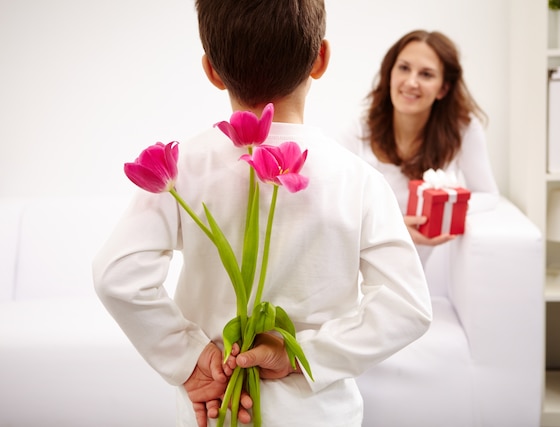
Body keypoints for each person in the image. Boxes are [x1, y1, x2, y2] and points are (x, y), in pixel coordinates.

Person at [92, 2, 432, 427]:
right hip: (318, 412)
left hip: (216, 407)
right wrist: (299, 355)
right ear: (321, 59)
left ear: (211, 70)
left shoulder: (185, 167)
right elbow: (408, 307)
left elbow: (116, 275)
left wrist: (191, 358)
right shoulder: (358, 180)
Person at [340, 30, 499, 259]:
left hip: (427, 265)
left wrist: (444, 211)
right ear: (390, 73)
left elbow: (488, 195)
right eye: (404, 68)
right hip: (366, 257)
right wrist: (394, 227)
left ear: (443, 88)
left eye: (426, 74)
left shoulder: (463, 130)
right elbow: (337, 205)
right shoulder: (359, 130)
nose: (411, 82)